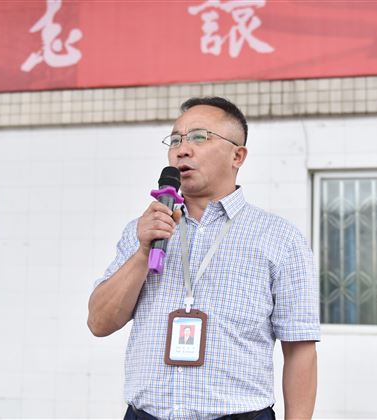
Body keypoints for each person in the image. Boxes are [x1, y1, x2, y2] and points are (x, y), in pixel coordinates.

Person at [87, 97, 319, 420]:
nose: (182, 150)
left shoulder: (280, 238)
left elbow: (300, 350)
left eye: (199, 137)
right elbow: (99, 322)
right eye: (175, 140)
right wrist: (143, 252)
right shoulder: (143, 231)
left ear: (237, 155)